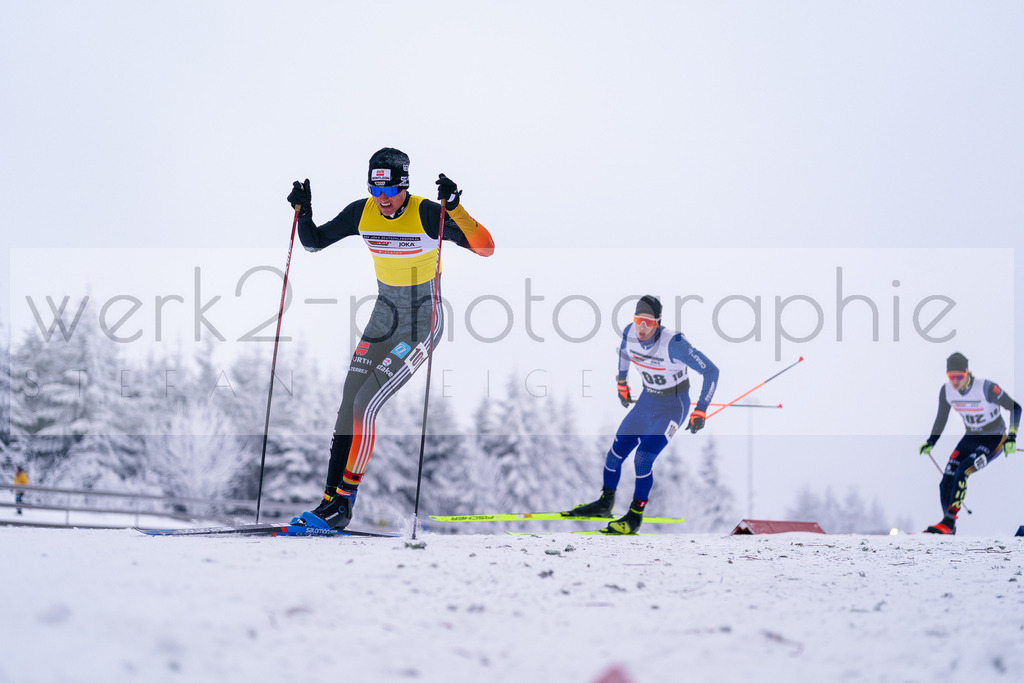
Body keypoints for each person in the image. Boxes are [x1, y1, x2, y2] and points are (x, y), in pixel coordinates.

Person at [285, 148, 494, 530]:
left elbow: (485, 247)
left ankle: (345, 501)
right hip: (384, 315)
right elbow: (314, 243)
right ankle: (329, 501)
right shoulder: (361, 212)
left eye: (390, 190)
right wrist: (304, 212)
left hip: (421, 322)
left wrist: (456, 209)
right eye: (375, 189)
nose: (382, 199)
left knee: (366, 403)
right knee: (348, 402)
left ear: (404, 186)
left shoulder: (427, 213)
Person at [565, 295, 720, 534]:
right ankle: (605, 503)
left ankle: (635, 516)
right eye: (639, 320)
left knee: (643, 458)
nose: (642, 327)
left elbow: (711, 371)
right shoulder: (629, 333)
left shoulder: (675, 344)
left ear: (658, 323)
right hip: (647, 402)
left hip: (673, 406)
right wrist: (621, 382)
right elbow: (624, 354)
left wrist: (701, 409)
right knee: (615, 452)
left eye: (649, 322)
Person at [919, 352, 1020, 534]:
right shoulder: (947, 391)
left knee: (963, 470)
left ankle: (949, 522)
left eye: (959, 377)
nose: (955, 382)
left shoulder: (986, 388)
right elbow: (941, 417)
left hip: (994, 438)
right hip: (971, 436)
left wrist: (1012, 436)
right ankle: (947, 524)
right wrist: (931, 441)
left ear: (968, 373)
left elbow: (1015, 407)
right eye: (951, 377)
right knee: (946, 479)